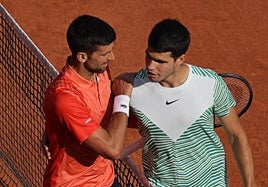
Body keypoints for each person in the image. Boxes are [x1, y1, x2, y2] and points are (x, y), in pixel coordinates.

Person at [121, 18, 256, 186]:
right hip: (161, 183)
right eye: (148, 56)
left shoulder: (210, 83)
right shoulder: (132, 87)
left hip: (210, 181)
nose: (150, 66)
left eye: (160, 61)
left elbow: (236, 136)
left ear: (180, 59)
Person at [42, 15, 132, 187]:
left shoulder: (101, 71)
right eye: (105, 54)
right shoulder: (65, 97)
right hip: (72, 183)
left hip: (105, 178)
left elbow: (107, 112)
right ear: (82, 57)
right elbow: (112, 149)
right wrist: (123, 97)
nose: (112, 57)